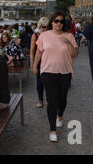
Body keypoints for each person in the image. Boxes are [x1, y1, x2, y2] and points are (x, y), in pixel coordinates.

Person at [32, 11, 78, 142]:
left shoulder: (69, 36)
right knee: (52, 100)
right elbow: (39, 53)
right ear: (52, 22)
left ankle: (60, 115)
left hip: (65, 72)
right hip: (47, 71)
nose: (59, 23)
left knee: (62, 100)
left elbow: (74, 54)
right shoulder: (44, 36)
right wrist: (35, 66)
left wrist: (68, 44)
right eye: (56, 21)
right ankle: (52, 129)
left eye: (62, 21)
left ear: (64, 23)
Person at [30, 17, 49, 108]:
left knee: (49, 81)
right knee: (39, 82)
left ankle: (49, 99)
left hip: (49, 61)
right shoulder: (35, 35)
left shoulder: (50, 34)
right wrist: (32, 63)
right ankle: (40, 99)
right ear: (40, 26)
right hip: (39, 61)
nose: (45, 29)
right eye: (44, 27)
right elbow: (32, 50)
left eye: (47, 27)